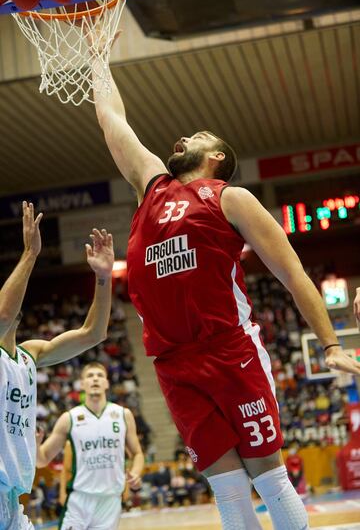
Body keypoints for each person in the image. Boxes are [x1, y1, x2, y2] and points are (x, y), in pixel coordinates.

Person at [90, 35, 360, 530]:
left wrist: (328, 345)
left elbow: (293, 271)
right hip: (172, 363)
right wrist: (94, 58)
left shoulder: (230, 199)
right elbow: (113, 120)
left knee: (268, 478)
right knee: (229, 493)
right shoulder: (151, 185)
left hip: (228, 350)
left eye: (198, 136)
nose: (185, 138)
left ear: (215, 157)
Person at [0, 201, 114, 530]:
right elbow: (4, 315)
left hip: (10, 498)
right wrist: (30, 254)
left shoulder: (29, 354)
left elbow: (94, 333)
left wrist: (103, 278)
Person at [36, 361, 144, 530]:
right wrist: (35, 445)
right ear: (82, 384)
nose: (95, 379)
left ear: (107, 383)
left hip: (111, 500)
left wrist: (136, 474)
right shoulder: (69, 418)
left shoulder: (123, 415)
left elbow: (137, 453)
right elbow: (41, 460)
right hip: (80, 500)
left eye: (100, 376)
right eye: (90, 376)